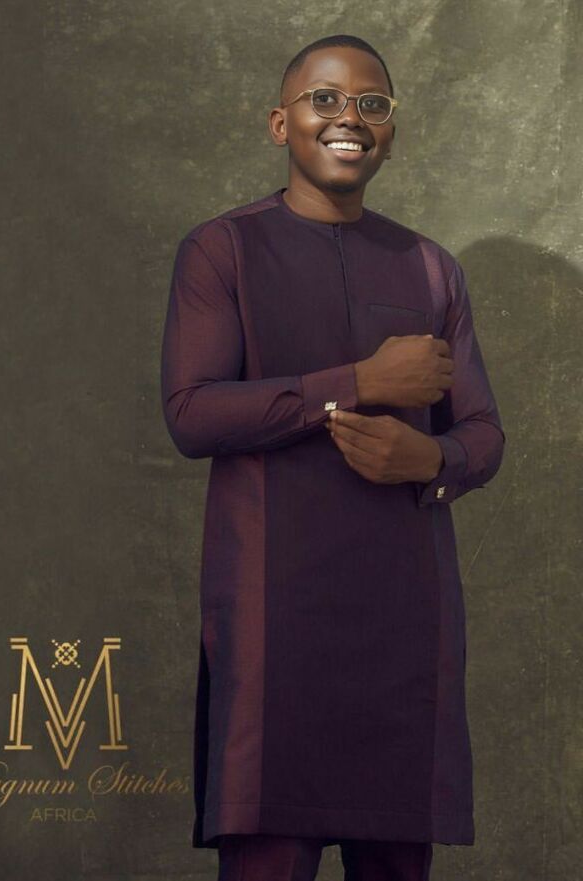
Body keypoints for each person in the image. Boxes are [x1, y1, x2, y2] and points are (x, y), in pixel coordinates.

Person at [160, 33, 505, 881]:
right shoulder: (223, 250)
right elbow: (192, 413)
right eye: (325, 100)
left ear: (390, 131)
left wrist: (430, 458)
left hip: (405, 634)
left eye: (371, 104)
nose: (349, 118)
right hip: (274, 629)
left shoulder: (431, 269)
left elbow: (483, 434)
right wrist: (357, 383)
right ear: (281, 123)